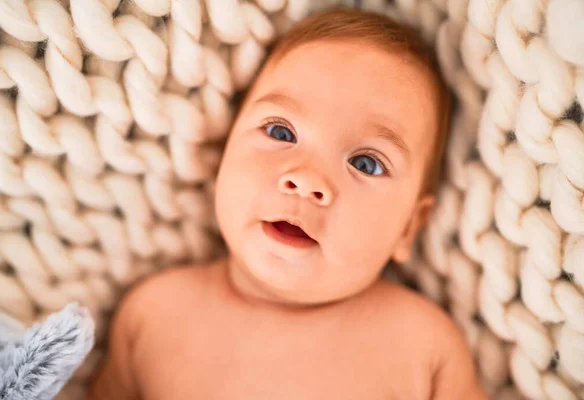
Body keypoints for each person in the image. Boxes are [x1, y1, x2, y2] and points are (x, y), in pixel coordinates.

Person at [86, 8, 489, 399]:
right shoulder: (155, 318)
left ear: (408, 227)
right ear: (222, 153)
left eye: (366, 163)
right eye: (281, 132)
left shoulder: (423, 347)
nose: (307, 179)